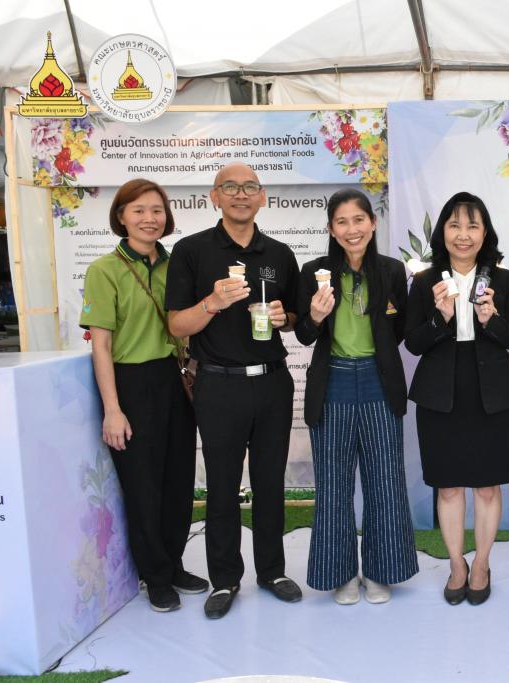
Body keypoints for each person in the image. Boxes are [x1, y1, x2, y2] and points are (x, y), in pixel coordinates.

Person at [166, 163, 303, 618]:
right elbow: (176, 325)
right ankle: (224, 579)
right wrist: (212, 302)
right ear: (215, 196)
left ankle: (272, 571)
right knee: (222, 487)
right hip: (218, 384)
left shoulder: (279, 253)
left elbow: (297, 319)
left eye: (249, 187)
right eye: (230, 187)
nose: (240, 195)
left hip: (272, 382)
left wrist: (285, 318)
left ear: (262, 197)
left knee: (269, 481)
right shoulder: (191, 251)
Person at [79, 178, 205, 612]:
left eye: (157, 210)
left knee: (178, 480)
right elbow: (101, 346)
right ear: (121, 216)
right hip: (131, 383)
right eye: (138, 210)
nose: (149, 219)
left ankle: (174, 563)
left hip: (176, 379)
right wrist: (112, 409)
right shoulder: (104, 270)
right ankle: (155, 575)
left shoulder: (178, 265)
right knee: (143, 486)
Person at [294, 188, 418, 605]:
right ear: (331, 229)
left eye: (359, 220)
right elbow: (303, 335)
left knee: (385, 482)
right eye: (342, 222)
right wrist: (315, 316)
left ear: (373, 223)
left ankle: (382, 571)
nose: (352, 229)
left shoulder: (392, 271)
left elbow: (397, 332)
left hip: (379, 382)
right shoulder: (314, 272)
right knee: (334, 485)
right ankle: (341, 573)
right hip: (333, 382)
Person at [405, 192, 509, 606]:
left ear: (485, 233)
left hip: (493, 393)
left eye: (473, 226)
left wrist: (491, 319)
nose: (463, 235)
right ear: (443, 232)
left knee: (488, 489)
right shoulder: (425, 281)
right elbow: (414, 343)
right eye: (455, 225)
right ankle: (457, 565)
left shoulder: (502, 280)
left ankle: (482, 565)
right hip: (441, 393)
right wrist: (439, 317)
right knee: (449, 488)